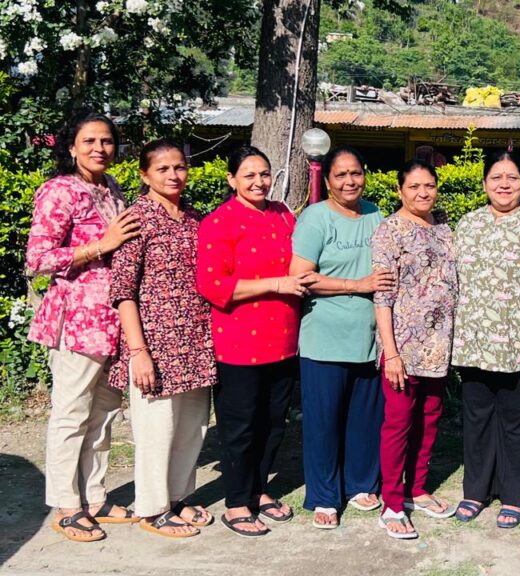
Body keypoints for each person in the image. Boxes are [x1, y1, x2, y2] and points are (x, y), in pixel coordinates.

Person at [26, 111, 140, 542]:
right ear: (71, 147)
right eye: (89, 141)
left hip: (113, 320)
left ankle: (94, 497)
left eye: (106, 141)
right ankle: (66, 505)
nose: (99, 148)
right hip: (76, 321)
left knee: (104, 414)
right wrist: (100, 246)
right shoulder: (59, 191)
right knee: (71, 414)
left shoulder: (111, 187)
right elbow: (38, 259)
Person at [196, 146, 314, 538]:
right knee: (240, 426)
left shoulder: (282, 214)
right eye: (249, 175)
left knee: (273, 423)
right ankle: (236, 502)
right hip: (238, 344)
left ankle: (259, 490)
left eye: (264, 174)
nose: (259, 182)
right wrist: (276, 284)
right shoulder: (218, 222)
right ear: (232, 180)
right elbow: (213, 285)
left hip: (284, 340)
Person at [108, 139, 216, 538]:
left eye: (180, 167)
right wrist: (138, 351)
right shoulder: (136, 219)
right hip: (154, 342)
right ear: (145, 174)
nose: (174, 175)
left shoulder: (194, 218)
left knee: (191, 427)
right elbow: (123, 291)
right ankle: (152, 509)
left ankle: (176, 498)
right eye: (163, 169)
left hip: (196, 341)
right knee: (157, 429)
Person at [451, 150, 520, 529]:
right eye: (496, 178)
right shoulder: (468, 225)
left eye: (512, 178)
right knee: (477, 419)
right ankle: (476, 491)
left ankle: (515, 496)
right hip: (474, 343)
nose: (504, 184)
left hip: (519, 345)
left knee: (515, 422)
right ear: (485, 183)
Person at [290, 146, 391, 529]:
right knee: (323, 423)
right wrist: (357, 285)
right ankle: (324, 495)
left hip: (368, 338)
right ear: (328, 181)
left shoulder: (375, 215)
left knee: (364, 418)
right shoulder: (316, 218)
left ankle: (361, 483)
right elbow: (300, 276)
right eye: (341, 175)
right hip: (325, 338)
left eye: (356, 173)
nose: (350, 181)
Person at [371, 160, 458, 539]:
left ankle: (417, 489)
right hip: (403, 348)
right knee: (398, 424)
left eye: (429, 185)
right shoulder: (389, 231)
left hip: (439, 345)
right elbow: (382, 296)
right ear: (400, 190)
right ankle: (391, 503)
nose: (423, 193)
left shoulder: (443, 227)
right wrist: (390, 352)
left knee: (430, 419)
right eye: (414, 186)